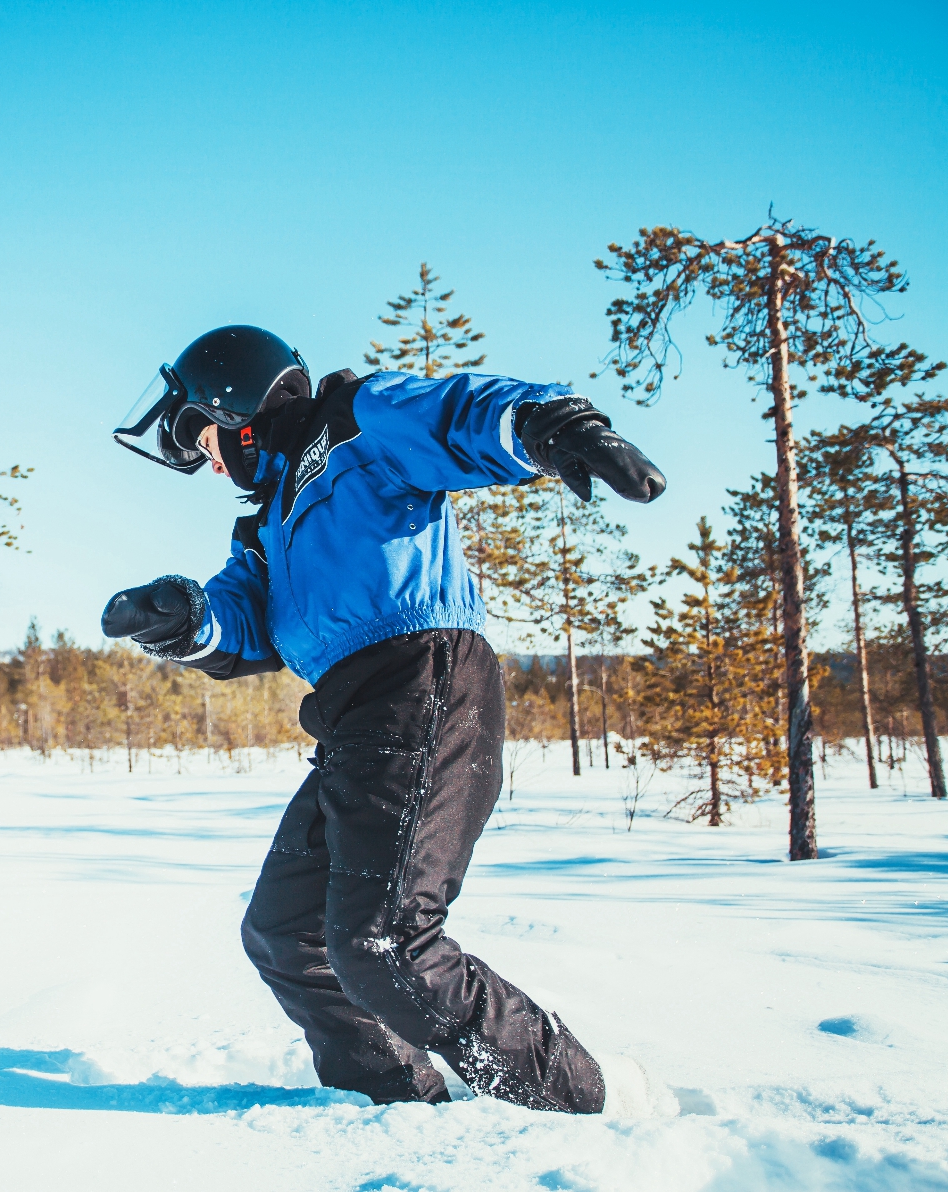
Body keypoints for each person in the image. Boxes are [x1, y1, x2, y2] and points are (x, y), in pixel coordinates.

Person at [104, 325, 671, 1115]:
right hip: (351, 716)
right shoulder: (268, 521)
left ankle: (593, 1104)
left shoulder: (355, 423)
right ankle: (398, 1106)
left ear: (239, 408)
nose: (210, 463)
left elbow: (456, 413)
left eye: (206, 440)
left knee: (387, 945)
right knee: (284, 932)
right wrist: (190, 618)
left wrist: (554, 427)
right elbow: (250, 620)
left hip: (424, 683)